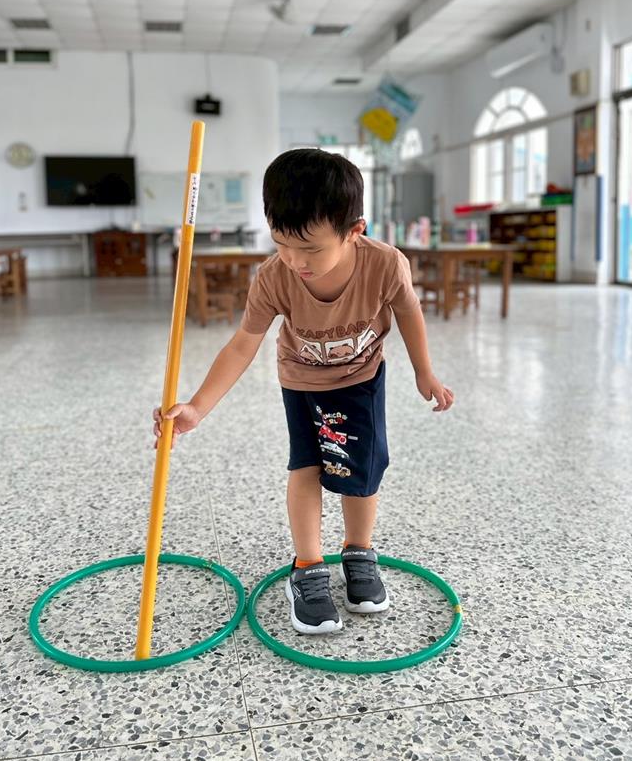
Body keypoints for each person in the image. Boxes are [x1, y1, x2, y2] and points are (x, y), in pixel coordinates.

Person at [153, 149, 453, 635]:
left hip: (360, 379)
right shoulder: (274, 277)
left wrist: (425, 372)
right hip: (300, 380)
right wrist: (198, 407)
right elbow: (243, 344)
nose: (295, 260)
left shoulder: (384, 264)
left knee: (361, 471)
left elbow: (409, 312)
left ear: (354, 230)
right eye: (281, 243)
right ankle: (308, 567)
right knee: (306, 465)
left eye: (310, 249)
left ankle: (358, 552)